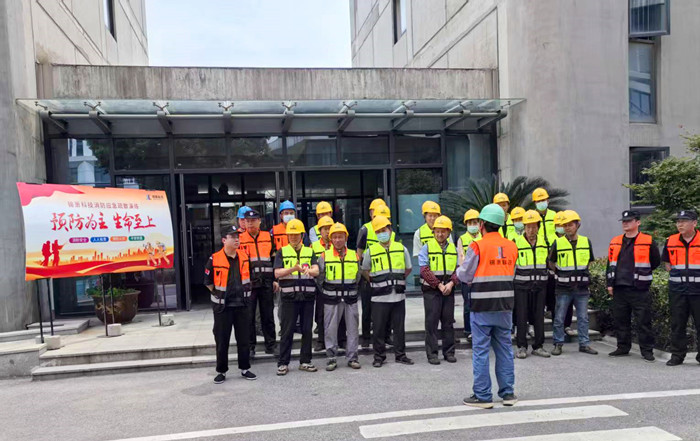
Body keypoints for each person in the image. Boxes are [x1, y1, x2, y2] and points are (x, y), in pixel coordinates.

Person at [456, 203, 518, 409]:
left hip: (482, 306)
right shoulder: (512, 246)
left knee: (481, 351)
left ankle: (483, 396)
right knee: (505, 349)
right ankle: (508, 393)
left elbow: (465, 275)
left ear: (482, 224)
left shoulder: (477, 246)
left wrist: (460, 268)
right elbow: (512, 273)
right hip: (505, 306)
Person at [204, 225, 257, 384]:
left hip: (242, 305)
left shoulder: (244, 257)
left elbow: (251, 277)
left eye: (237, 237)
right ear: (224, 240)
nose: (236, 239)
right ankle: (221, 371)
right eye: (232, 237)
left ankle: (245, 368)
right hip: (223, 307)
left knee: (244, 339)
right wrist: (218, 294)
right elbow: (208, 282)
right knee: (222, 339)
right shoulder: (214, 259)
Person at [606, 210, 660, 362]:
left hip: (639, 288)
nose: (625, 223)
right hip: (619, 287)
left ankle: (647, 351)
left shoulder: (648, 241)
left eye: (629, 221)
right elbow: (610, 264)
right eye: (624, 221)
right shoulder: (615, 241)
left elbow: (655, 262)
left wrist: (642, 274)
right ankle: (623, 347)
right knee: (621, 320)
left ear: (638, 222)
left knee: (643, 321)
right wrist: (609, 284)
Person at [361, 215, 414, 367]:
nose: (381, 233)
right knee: (378, 328)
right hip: (379, 297)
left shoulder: (401, 248)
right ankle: (379, 357)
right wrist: (377, 282)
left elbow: (408, 268)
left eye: (384, 230)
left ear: (390, 230)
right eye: (378, 231)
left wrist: (396, 280)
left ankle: (400, 355)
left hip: (398, 296)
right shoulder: (371, 251)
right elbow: (365, 270)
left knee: (399, 328)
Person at [273, 219, 319, 376]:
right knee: (287, 331)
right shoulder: (282, 251)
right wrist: (293, 268)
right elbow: (277, 273)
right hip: (289, 297)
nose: (293, 237)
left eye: (296, 234)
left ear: (302, 235)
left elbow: (316, 270)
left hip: (307, 296)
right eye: (290, 234)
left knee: (307, 330)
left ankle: (305, 361)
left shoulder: (309, 251)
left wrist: (309, 271)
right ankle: (283, 363)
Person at [549, 210, 598, 356]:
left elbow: (589, 261)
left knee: (583, 318)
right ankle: (558, 343)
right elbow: (551, 262)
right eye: (565, 225)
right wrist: (562, 273)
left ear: (577, 225)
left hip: (582, 287)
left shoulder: (586, 241)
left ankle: (584, 344)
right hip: (563, 287)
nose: (567, 228)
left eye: (570, 225)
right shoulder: (558, 243)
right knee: (559, 318)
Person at [318, 222, 362, 370]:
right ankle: (331, 358)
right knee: (330, 329)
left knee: (353, 329)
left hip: (350, 298)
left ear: (346, 238)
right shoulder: (324, 256)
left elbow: (358, 277)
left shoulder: (354, 255)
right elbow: (319, 278)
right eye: (335, 237)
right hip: (331, 299)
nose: (338, 240)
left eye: (340, 237)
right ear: (331, 239)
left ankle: (352, 358)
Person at [662, 209, 700, 366]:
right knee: (677, 324)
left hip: (698, 291)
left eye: (684, 221)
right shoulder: (671, 241)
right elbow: (667, 264)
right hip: (678, 291)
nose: (680, 224)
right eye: (678, 221)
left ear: (694, 223)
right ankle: (677, 356)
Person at [419, 215, 458, 364]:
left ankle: (449, 352)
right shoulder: (426, 247)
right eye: (437, 231)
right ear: (433, 232)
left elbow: (459, 269)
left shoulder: (454, 248)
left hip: (449, 289)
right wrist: (439, 285)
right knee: (431, 322)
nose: (440, 234)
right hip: (432, 291)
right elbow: (424, 270)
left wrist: (451, 284)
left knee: (448, 322)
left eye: (443, 231)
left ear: (448, 232)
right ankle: (432, 354)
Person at [239, 209, 278, 358]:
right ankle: (250, 347)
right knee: (248, 317)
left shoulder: (268, 237)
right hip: (248, 283)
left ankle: (271, 345)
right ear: (244, 222)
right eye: (247, 221)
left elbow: (274, 259)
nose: (250, 223)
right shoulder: (240, 239)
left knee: (268, 315)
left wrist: (275, 280)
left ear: (259, 221)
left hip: (266, 282)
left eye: (253, 221)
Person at [513, 210, 551, 359]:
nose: (531, 230)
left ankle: (538, 346)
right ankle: (522, 346)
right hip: (521, 286)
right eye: (528, 227)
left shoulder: (544, 242)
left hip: (540, 285)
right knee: (521, 317)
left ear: (538, 227)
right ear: (524, 227)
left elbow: (549, 262)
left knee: (539, 317)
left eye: (534, 226)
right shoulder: (516, 243)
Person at [357, 203, 394, 348]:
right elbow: (359, 254)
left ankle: (387, 335)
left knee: (387, 308)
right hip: (368, 276)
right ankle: (366, 337)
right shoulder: (365, 229)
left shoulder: (392, 232)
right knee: (367, 308)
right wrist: (366, 275)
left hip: (385, 276)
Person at [311, 215, 346, 352]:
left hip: (337, 284)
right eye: (324, 229)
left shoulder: (338, 244)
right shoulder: (313, 246)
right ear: (319, 231)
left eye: (329, 228)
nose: (327, 231)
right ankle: (321, 340)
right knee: (321, 314)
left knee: (341, 313)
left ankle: (342, 339)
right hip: (320, 285)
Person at [457, 209, 482, 341]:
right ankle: (468, 330)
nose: (473, 225)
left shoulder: (483, 238)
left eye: (475, 222)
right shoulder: (462, 239)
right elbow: (461, 260)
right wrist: (467, 277)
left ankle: (480, 330)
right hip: (467, 279)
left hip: (481, 277)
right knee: (468, 305)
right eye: (470, 223)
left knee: (481, 305)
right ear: (466, 224)